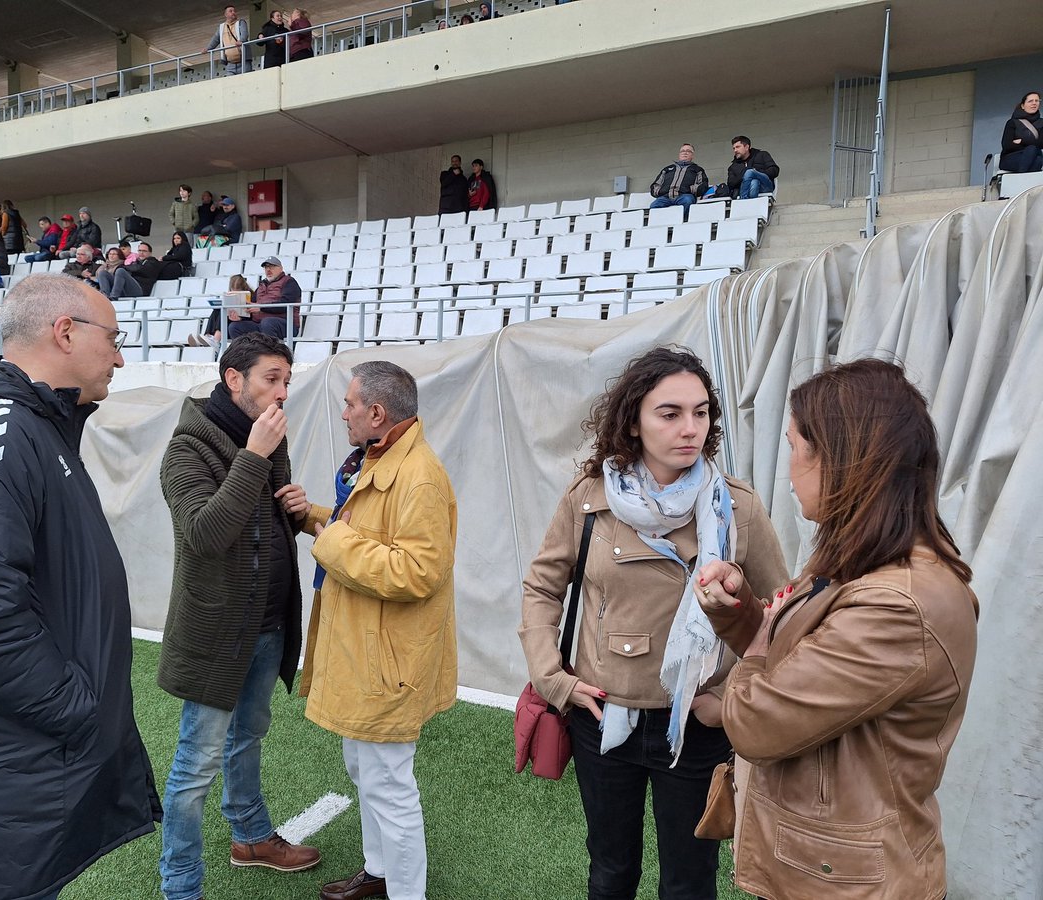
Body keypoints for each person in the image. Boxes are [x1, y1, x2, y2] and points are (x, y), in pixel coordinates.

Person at [0, 274, 162, 900]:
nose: (121, 358)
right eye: (115, 339)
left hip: (25, 760)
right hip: (7, 764)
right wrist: (77, 707)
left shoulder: (34, 424)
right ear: (65, 331)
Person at [696, 358, 979, 900]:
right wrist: (743, 614)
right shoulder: (863, 562)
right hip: (826, 867)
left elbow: (758, 722)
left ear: (842, 460)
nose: (789, 464)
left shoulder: (897, 605)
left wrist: (752, 645)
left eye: (795, 446)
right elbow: (803, 657)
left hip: (850, 884)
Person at [519, 347, 787, 900]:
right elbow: (542, 588)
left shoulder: (735, 508)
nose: (690, 428)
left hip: (696, 725)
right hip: (602, 717)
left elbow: (781, 614)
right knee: (610, 874)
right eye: (669, 413)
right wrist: (553, 679)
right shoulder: (590, 498)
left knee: (689, 884)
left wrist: (727, 698)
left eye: (701, 412)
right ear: (634, 421)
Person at [157, 333, 321, 900]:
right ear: (234, 380)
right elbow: (205, 534)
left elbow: (264, 519)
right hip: (217, 632)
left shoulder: (268, 435)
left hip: (270, 623)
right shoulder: (186, 448)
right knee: (195, 765)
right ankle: (180, 885)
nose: (282, 392)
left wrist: (295, 513)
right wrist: (253, 456)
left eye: (287, 381)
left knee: (248, 736)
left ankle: (250, 837)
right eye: (271, 379)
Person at [299, 360, 458, 900]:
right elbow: (364, 532)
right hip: (365, 652)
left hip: (386, 661)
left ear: (376, 412)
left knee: (389, 785)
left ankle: (402, 892)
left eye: (349, 404)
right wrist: (314, 516)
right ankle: (379, 873)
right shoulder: (383, 457)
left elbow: (418, 571)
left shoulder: (421, 476)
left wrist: (330, 539)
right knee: (365, 769)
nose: (343, 413)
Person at [237, 257, 300, 340]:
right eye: (266, 267)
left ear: (281, 268)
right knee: (235, 327)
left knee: (267, 323)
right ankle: (245, 352)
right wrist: (240, 316)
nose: (268, 270)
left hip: (285, 324)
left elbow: (285, 305)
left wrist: (261, 307)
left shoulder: (289, 282)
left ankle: (270, 352)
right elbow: (252, 305)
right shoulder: (261, 286)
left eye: (272, 267)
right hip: (260, 323)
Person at [189, 273, 253, 351]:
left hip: (241, 325)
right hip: (229, 323)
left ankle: (215, 340)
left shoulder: (251, 297)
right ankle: (208, 337)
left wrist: (240, 319)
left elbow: (253, 317)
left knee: (223, 310)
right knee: (218, 310)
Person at [650, 143, 708, 211]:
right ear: (679, 154)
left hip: (684, 196)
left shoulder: (697, 169)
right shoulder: (667, 169)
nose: (685, 153)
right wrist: (663, 191)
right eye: (682, 151)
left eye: (688, 151)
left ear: (692, 155)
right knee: (654, 206)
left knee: (687, 201)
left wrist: (688, 189)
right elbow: (655, 186)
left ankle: (684, 221)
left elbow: (703, 185)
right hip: (665, 197)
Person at [1000, 91, 1042, 173]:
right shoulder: (1012, 122)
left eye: (1036, 101)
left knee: (1036, 158)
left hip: (1034, 158)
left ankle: (1021, 175)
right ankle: (1022, 175)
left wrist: (1022, 141)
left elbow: (1041, 143)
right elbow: (1007, 145)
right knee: (1033, 151)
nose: (1034, 103)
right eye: (1030, 101)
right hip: (1011, 158)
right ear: (1023, 106)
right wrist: (1031, 146)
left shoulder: (1042, 123)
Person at [727, 136, 779, 200]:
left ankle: (743, 200)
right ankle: (751, 203)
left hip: (765, 186)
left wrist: (756, 173)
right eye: (734, 148)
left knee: (750, 172)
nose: (735, 150)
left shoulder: (762, 155)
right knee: (754, 182)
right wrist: (744, 175)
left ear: (747, 147)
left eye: (738, 147)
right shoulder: (733, 167)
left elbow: (774, 170)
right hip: (747, 189)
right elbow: (731, 184)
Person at [207, 5, 251, 75]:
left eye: (234, 11)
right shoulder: (221, 27)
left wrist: (241, 41)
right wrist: (207, 48)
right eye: (230, 11)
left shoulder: (241, 22)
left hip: (244, 62)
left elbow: (244, 34)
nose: (233, 12)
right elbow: (215, 39)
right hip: (230, 64)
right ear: (225, 14)